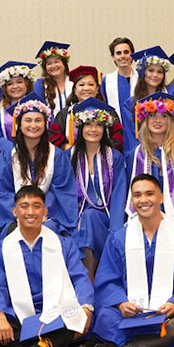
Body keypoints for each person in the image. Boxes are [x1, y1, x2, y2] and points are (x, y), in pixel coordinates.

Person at [79, 174, 174, 347]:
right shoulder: (119, 238)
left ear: (161, 197)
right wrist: (121, 303)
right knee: (105, 316)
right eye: (137, 195)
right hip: (132, 312)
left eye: (149, 194)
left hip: (169, 311)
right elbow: (107, 279)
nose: (143, 200)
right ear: (132, 201)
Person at [0, 185, 94, 347]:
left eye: (36, 206)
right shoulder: (1, 248)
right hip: (18, 315)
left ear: (45, 211)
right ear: (15, 211)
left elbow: (79, 277)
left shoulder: (63, 244)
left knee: (74, 323)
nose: (30, 212)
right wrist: (0, 317)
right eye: (24, 206)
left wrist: (86, 309)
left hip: (57, 312)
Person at [0, 92, 77, 235]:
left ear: (45, 123)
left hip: (49, 216)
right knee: (13, 233)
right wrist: (23, 213)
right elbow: (2, 192)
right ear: (19, 124)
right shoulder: (7, 156)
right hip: (13, 216)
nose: (33, 125)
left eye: (38, 120)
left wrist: (38, 211)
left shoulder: (57, 156)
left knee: (51, 232)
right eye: (28, 120)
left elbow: (62, 192)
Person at [68, 98, 128, 278]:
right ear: (80, 128)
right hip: (75, 220)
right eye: (88, 125)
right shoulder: (68, 157)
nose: (93, 130)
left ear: (105, 129)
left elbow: (119, 194)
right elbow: (64, 193)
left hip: (106, 221)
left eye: (98, 125)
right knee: (85, 220)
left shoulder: (114, 158)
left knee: (90, 218)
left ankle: (89, 284)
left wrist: (116, 229)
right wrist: (71, 221)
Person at [124, 92, 174, 225]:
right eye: (152, 116)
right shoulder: (134, 154)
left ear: (171, 120)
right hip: (143, 221)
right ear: (145, 119)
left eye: (164, 116)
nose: (158, 120)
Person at [50, 64, 125, 152]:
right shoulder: (65, 114)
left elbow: (118, 136)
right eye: (81, 85)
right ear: (74, 90)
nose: (86, 88)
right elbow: (54, 136)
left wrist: (104, 150)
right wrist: (65, 147)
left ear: (97, 89)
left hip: (103, 159)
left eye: (90, 84)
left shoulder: (109, 112)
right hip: (71, 159)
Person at [0, 60, 34, 146]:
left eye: (19, 82)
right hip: (6, 154)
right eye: (10, 84)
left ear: (27, 84)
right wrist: (11, 150)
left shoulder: (39, 106)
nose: (15, 87)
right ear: (5, 88)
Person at [102, 36, 137, 119]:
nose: (122, 56)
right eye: (118, 53)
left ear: (132, 54)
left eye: (126, 52)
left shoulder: (142, 79)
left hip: (140, 129)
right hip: (117, 129)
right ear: (113, 57)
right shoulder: (106, 82)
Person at [34, 41, 73, 114]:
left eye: (56, 62)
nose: (53, 66)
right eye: (49, 63)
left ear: (64, 64)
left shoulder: (74, 81)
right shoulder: (40, 85)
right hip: (51, 124)